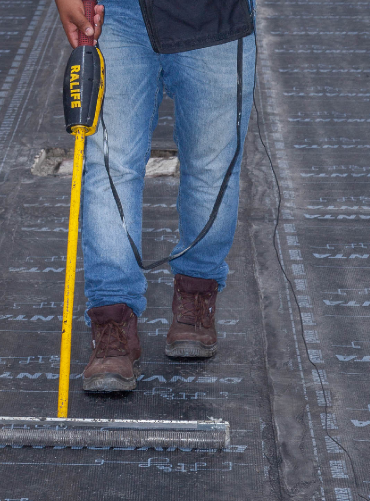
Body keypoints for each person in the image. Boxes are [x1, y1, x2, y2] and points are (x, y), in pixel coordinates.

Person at [54, 0, 256, 392]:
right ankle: (112, 320)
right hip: (115, 12)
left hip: (215, 16)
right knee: (109, 165)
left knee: (212, 167)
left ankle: (196, 294)